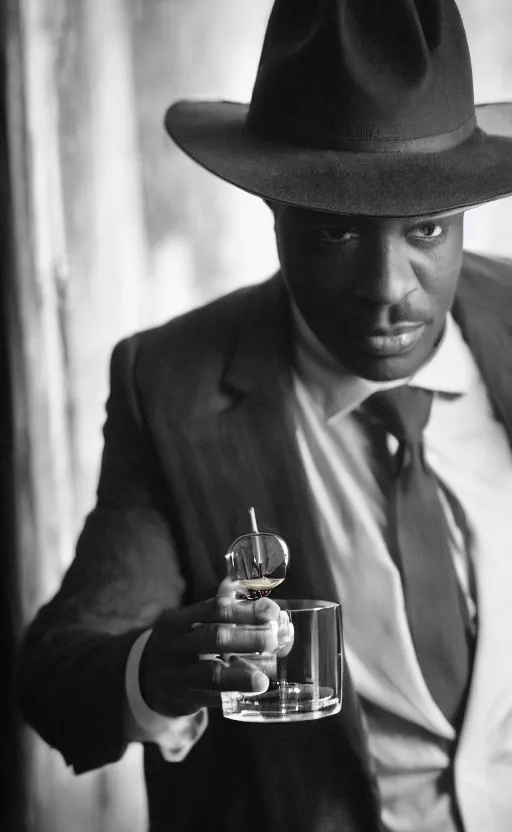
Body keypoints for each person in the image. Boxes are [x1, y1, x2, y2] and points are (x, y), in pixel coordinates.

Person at [18, 1, 512, 831]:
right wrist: (156, 668)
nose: (388, 288)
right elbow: (60, 676)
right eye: (335, 236)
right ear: (273, 216)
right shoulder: (171, 385)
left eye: (426, 227)